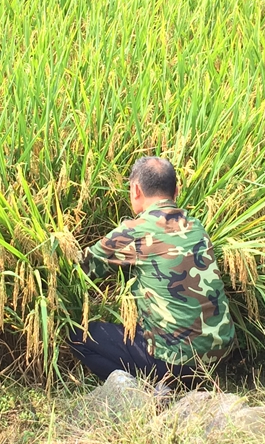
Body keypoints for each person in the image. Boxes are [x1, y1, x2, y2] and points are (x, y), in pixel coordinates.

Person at [69, 157, 234, 386]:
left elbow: (80, 269)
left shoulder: (133, 231)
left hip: (175, 363)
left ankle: (139, 387)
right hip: (219, 356)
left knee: (77, 337)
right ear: (176, 191)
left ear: (136, 190)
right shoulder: (196, 226)